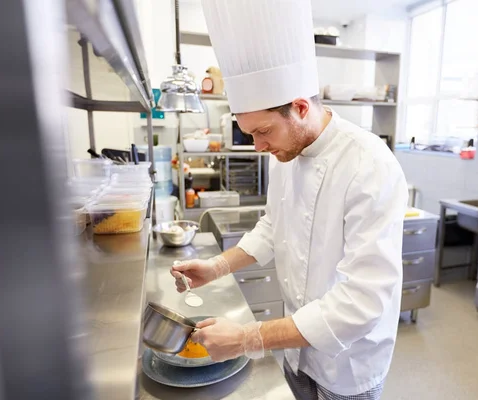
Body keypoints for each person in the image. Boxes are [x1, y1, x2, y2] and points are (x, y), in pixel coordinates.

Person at [170, 1, 409, 399]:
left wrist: (249, 338)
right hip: (295, 344)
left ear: (300, 107)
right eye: (249, 134)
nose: (258, 146)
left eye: (263, 131)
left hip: (348, 362)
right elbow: (272, 226)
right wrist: (215, 267)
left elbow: (362, 301)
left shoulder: (370, 165)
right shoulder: (286, 152)